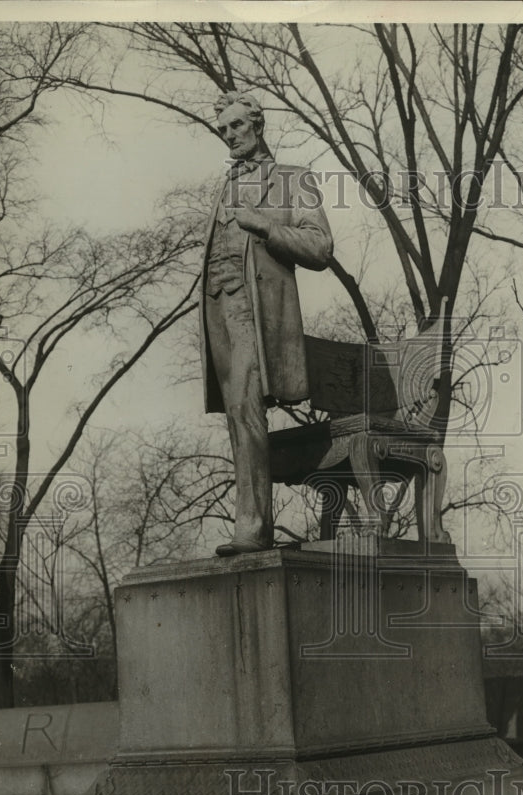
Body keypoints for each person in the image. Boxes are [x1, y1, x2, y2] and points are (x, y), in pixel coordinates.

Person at [199, 91, 333, 557]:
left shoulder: (293, 179)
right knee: (238, 416)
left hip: (261, 317)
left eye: (236, 126)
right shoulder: (224, 185)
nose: (229, 136)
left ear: (258, 124)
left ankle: (253, 530)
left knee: (245, 408)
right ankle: (251, 526)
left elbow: (319, 248)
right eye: (223, 130)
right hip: (221, 313)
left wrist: (265, 227)